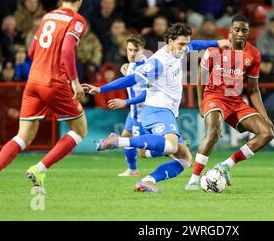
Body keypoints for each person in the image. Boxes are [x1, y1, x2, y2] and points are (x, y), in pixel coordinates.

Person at [83, 23, 232, 193]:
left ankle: (147, 181)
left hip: (166, 111)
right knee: (171, 146)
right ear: (169, 41)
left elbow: (195, 45)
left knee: (184, 158)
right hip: (157, 109)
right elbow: (132, 79)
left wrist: (216, 43)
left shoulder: (180, 49)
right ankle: (119, 141)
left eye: (185, 44)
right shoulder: (158, 62)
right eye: (181, 44)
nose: (184, 48)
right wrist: (101, 89)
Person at [0, 0, 89, 200]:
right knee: (80, 130)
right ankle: (40, 168)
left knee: (23, 136)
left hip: (33, 81)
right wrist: (75, 81)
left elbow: (31, 52)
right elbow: (68, 49)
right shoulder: (77, 20)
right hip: (55, 82)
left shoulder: (47, 17)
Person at [185, 14, 274, 190]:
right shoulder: (214, 49)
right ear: (230, 31)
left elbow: (253, 89)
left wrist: (265, 116)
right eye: (237, 29)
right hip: (214, 96)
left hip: (235, 101)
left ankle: (224, 166)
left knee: (268, 132)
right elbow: (200, 77)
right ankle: (193, 180)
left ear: (248, 32)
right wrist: (200, 104)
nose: (240, 33)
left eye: (244, 30)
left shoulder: (254, 54)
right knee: (214, 132)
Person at [108, 35, 151, 177]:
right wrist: (126, 71)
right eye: (129, 50)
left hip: (142, 113)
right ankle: (132, 170)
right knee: (126, 136)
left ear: (143, 50)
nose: (132, 53)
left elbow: (146, 95)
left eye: (135, 50)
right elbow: (131, 78)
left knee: (143, 153)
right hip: (133, 112)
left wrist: (124, 102)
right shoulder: (132, 64)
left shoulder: (145, 68)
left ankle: (173, 149)